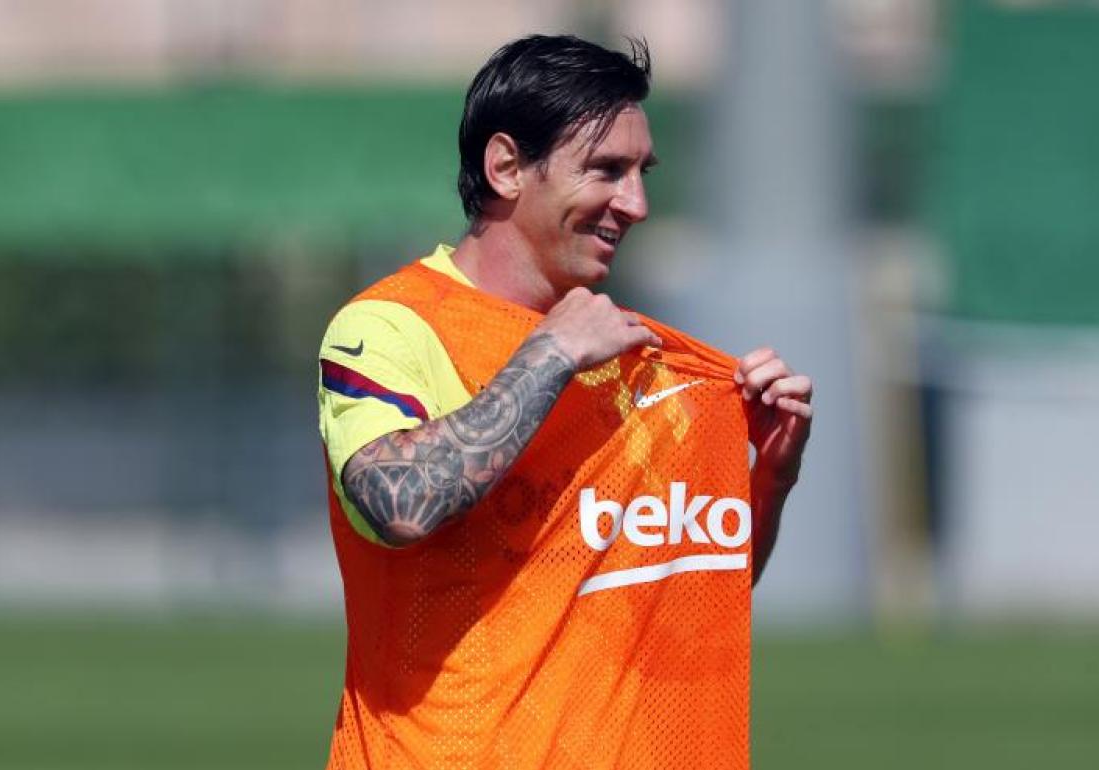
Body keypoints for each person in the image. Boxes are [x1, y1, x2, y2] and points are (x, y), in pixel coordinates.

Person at [317, 34, 811, 769]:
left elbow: (690, 593)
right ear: (507, 167)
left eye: (643, 173)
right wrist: (549, 355)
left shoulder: (641, 364)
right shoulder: (392, 327)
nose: (636, 204)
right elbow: (399, 504)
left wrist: (768, 477)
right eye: (607, 170)